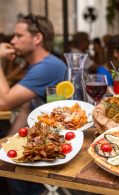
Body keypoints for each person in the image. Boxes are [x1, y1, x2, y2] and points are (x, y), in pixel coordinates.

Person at [0, 13, 67, 194]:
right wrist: (5, 144)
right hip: (41, 136)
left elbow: (3, 102)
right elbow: (26, 108)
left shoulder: (48, 66)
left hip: (55, 143)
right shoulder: (38, 65)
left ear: (37, 38)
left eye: (19, 36)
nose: (13, 41)